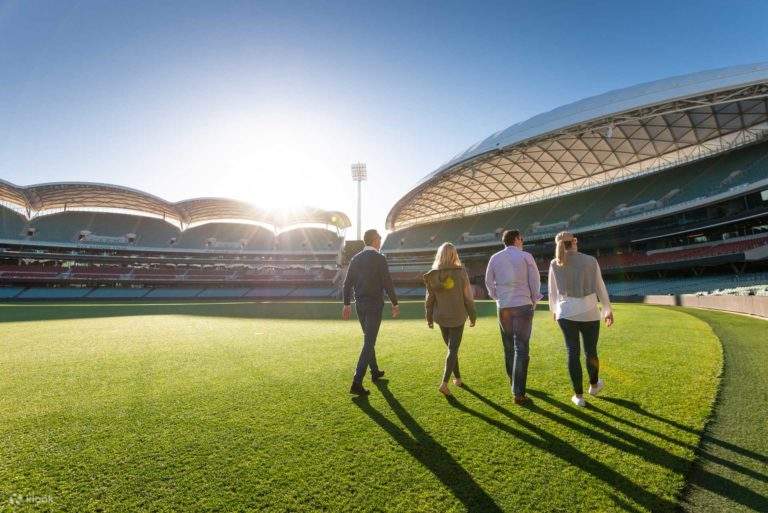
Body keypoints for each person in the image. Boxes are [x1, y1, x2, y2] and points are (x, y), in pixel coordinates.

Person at [547, 231, 614, 407]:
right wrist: (607, 309)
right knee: (591, 351)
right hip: (590, 312)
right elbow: (600, 286)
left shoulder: (555, 263)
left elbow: (552, 291)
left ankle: (578, 396)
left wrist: (554, 310)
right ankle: (594, 385)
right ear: (574, 241)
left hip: (565, 313)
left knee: (572, 352)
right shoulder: (591, 260)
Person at [485, 230, 542, 405]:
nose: (522, 241)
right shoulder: (526, 256)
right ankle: (518, 392)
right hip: (523, 304)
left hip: (504, 307)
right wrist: (534, 299)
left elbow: (488, 281)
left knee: (509, 346)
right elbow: (535, 281)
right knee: (522, 348)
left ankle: (513, 380)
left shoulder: (495, 258)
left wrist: (497, 298)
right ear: (516, 239)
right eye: (521, 238)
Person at [342, 229, 400, 396]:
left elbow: (347, 284)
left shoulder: (355, 258)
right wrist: (395, 303)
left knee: (368, 338)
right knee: (369, 342)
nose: (381, 240)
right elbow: (387, 283)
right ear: (374, 240)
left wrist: (346, 305)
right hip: (374, 305)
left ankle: (374, 371)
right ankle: (357, 381)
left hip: (360, 304)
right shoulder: (380, 259)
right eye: (380, 237)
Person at [424, 243, 477, 397]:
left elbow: (430, 299)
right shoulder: (460, 272)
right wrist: (472, 315)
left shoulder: (432, 274)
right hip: (458, 315)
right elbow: (468, 297)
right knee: (452, 349)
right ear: (454, 255)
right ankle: (444, 383)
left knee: (451, 349)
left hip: (441, 316)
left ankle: (458, 379)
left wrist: (429, 317)